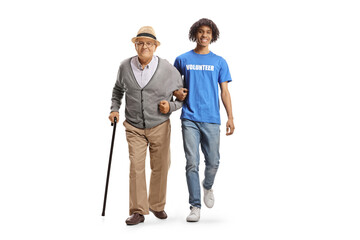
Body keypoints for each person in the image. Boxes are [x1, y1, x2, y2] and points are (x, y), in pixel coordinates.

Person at [109, 26, 187, 225]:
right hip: (134, 126)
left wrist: (170, 105)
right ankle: (138, 211)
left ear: (155, 47)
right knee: (136, 167)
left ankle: (157, 205)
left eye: (149, 43)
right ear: (135, 45)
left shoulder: (168, 69)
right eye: (141, 43)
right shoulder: (125, 66)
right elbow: (118, 90)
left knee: (161, 165)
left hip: (159, 125)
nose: (145, 46)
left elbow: (183, 96)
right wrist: (114, 109)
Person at [174, 18, 235, 222]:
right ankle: (195, 205)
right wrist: (177, 93)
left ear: (213, 35)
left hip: (211, 119)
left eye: (208, 32)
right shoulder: (182, 59)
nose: (204, 35)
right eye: (200, 31)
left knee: (214, 161)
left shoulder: (219, 62)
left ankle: (207, 185)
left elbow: (224, 92)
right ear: (195, 34)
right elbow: (173, 86)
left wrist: (230, 117)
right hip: (189, 118)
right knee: (192, 163)